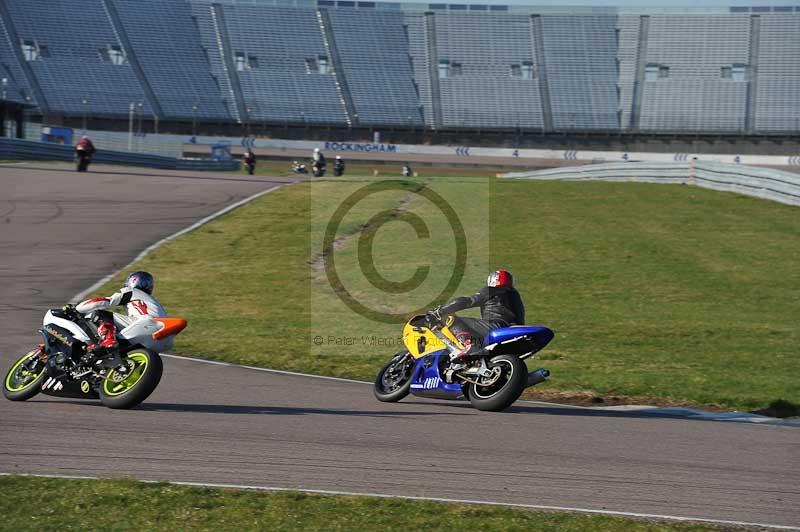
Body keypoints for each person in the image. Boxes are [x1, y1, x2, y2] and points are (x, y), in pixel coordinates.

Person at [427, 269, 524, 363]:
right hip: (514, 330)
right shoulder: (515, 296)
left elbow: (467, 301)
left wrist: (439, 311)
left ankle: (470, 345)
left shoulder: (491, 290)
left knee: (451, 319)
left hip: (496, 326)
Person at [73, 271, 166, 366]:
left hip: (146, 324)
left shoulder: (132, 291)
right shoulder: (154, 301)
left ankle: (108, 339)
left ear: (131, 281)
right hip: (163, 340)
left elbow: (105, 301)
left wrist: (78, 308)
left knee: (100, 313)